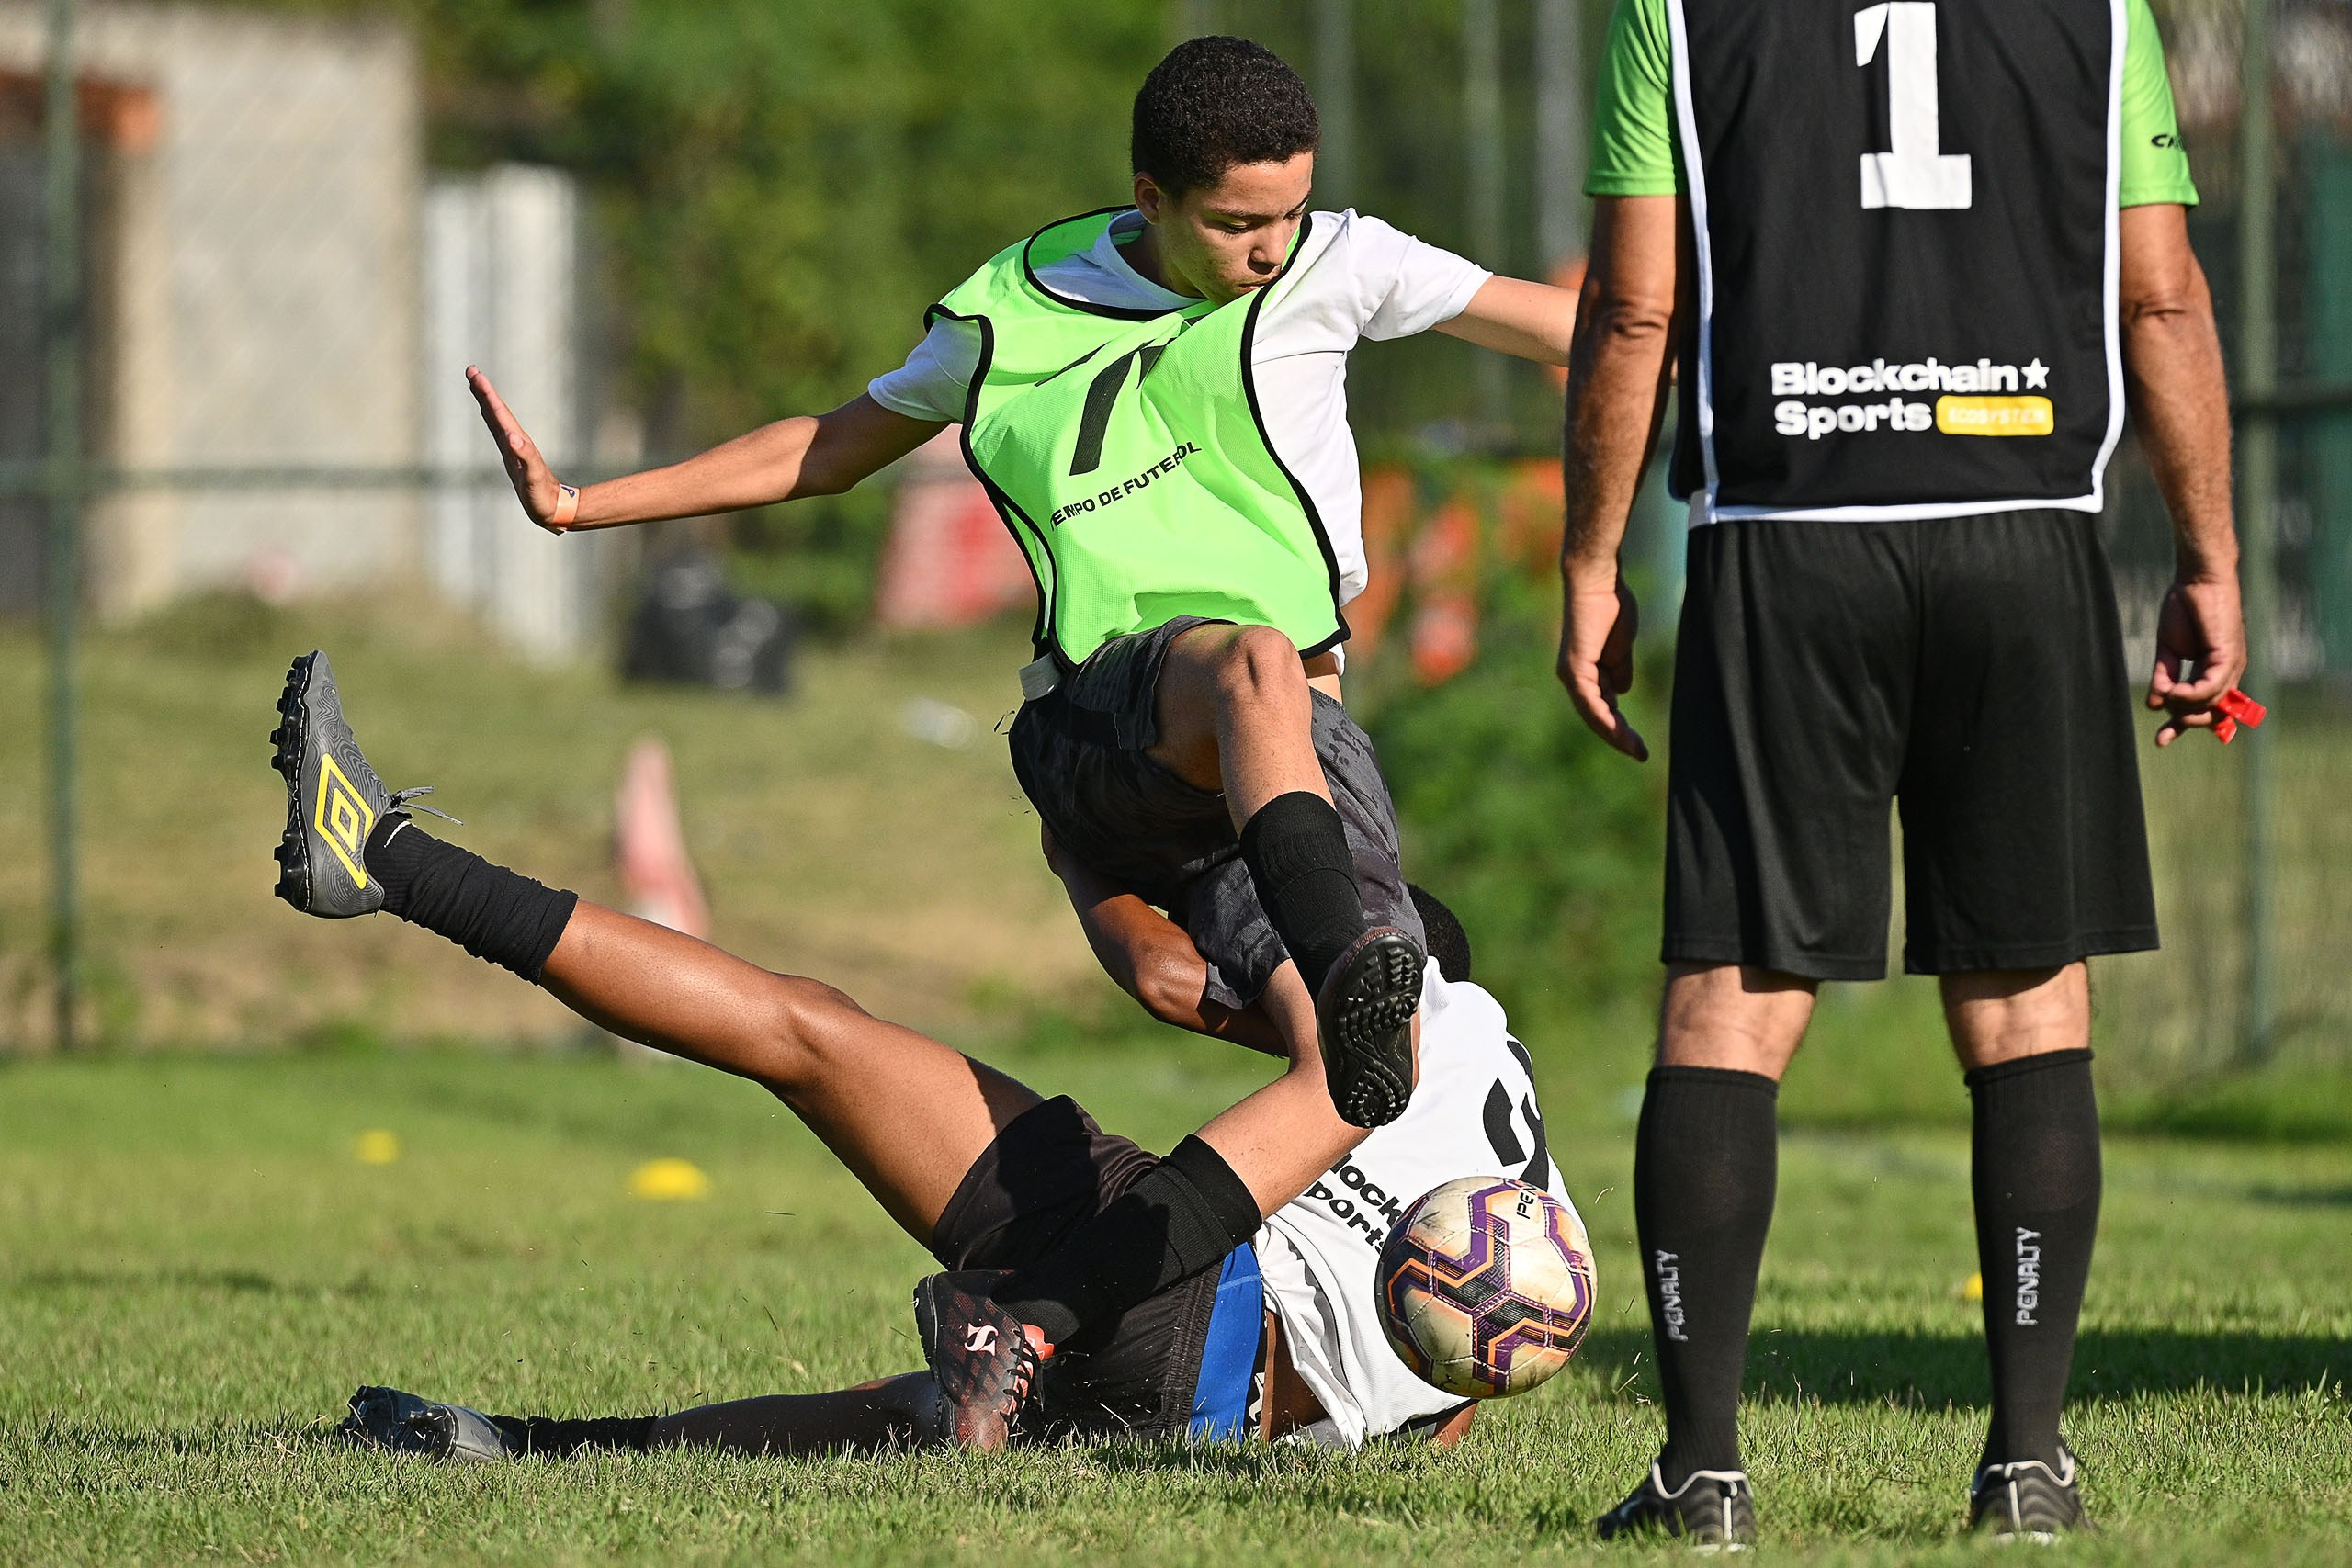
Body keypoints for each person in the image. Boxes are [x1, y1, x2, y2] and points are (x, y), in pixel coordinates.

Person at [459, 36, 1580, 1446]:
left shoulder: (1336, 262)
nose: (1270, 247)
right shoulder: (1018, 309)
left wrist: (1717, 335)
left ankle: (571, 1441)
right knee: (1258, 683)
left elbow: (1575, 327)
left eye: (1290, 213)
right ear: (1150, 195)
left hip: (1249, 790)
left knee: (1285, 1047)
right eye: (1238, 219)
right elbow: (837, 438)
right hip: (1128, 708)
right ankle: (1060, 1299)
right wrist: (586, 506)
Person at [266, 650, 1581, 1460]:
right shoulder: (1529, 1195)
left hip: (1186, 1290)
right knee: (886, 1418)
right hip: (1201, 1411)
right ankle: (515, 1447)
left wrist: (1082, 857)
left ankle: (385, 859)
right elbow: (1457, 1390)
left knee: (805, 1032)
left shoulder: (1393, 1011)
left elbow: (1167, 982)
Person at [1555, 0, 2243, 1546]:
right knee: (2025, 997)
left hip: (1785, 542)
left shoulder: (1673, 12)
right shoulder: (2099, 12)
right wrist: (2209, 553)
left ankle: (1705, 1472)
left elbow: (1633, 312)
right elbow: (2166, 296)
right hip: (2025, 523)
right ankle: (2026, 1466)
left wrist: (1593, 560)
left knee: (1730, 997)